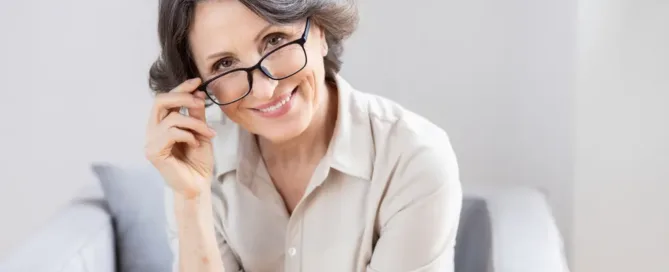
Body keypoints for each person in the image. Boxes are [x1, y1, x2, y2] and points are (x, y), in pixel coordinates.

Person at [144, 0, 462, 271]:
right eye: (225, 64)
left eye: (275, 40)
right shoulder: (197, 165)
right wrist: (190, 200)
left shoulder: (413, 156)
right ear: (200, 84)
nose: (265, 89)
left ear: (320, 30)